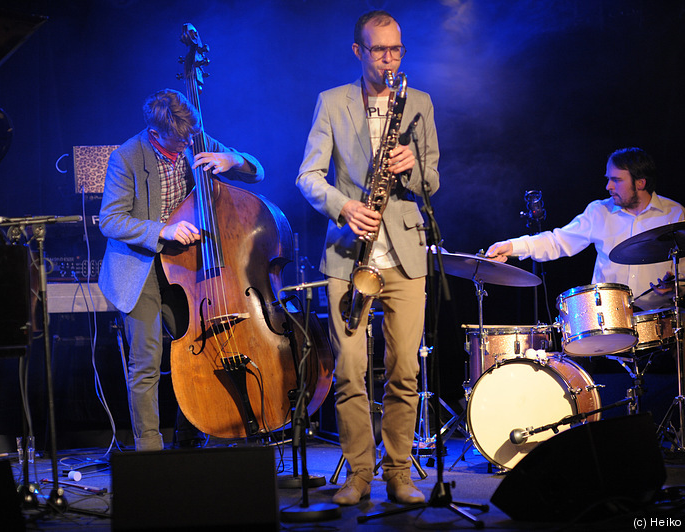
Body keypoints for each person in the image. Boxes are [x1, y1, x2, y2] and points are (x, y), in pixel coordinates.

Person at [296, 10, 439, 505]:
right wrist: (344, 206)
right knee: (350, 369)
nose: (389, 59)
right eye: (379, 50)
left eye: (396, 49)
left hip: (404, 255)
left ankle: (399, 471)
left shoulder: (418, 103)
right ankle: (359, 473)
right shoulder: (332, 102)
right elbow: (308, 176)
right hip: (348, 255)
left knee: (405, 369)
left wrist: (414, 167)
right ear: (359, 52)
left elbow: (432, 183)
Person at [99, 89, 264, 451]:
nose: (188, 145)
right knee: (146, 357)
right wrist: (162, 230)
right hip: (140, 268)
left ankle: (190, 436)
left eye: (192, 137)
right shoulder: (126, 157)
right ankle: (150, 448)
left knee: (196, 351)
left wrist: (233, 159)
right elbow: (110, 220)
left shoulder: (192, 135)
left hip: (186, 268)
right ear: (156, 134)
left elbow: (258, 171)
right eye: (180, 141)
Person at [485, 147, 685, 400]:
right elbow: (558, 241)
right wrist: (513, 246)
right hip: (608, 315)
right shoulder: (599, 211)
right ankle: (576, 415)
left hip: (657, 314)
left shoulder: (674, 214)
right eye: (608, 178)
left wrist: (675, 286)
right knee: (575, 329)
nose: (608, 186)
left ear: (641, 182)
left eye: (616, 179)